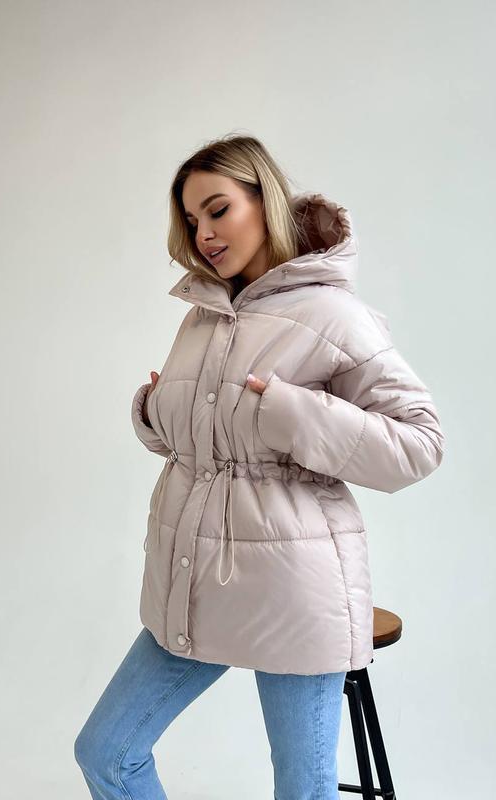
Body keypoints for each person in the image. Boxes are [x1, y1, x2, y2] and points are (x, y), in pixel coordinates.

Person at [74, 134, 445, 799]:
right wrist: (155, 412)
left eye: (218, 210)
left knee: (302, 791)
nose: (204, 234)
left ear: (264, 199)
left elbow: (418, 445)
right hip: (193, 581)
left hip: (295, 591)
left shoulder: (335, 315)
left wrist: (292, 412)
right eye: (193, 220)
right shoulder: (203, 316)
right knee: (107, 752)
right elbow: (213, 441)